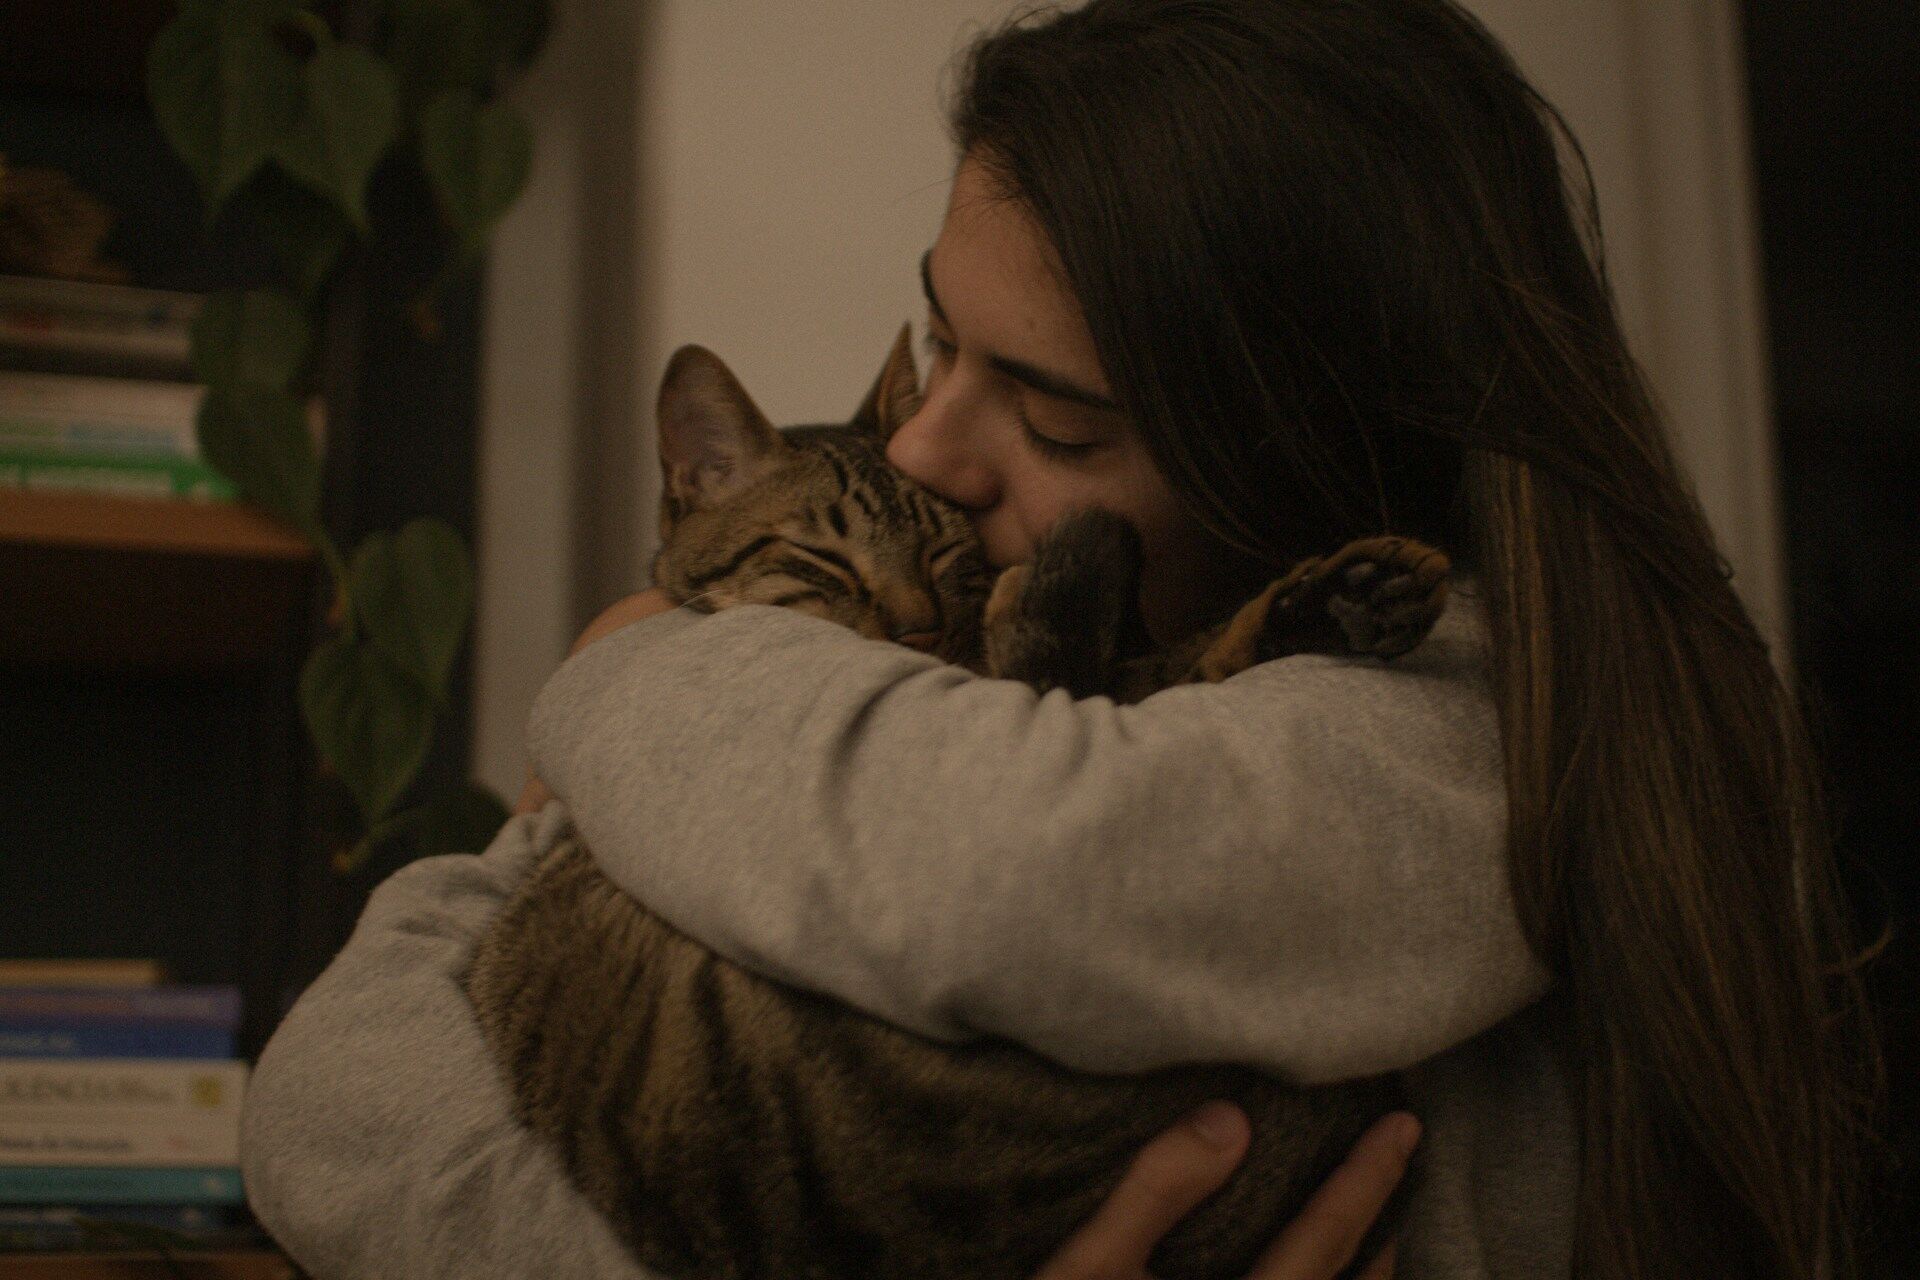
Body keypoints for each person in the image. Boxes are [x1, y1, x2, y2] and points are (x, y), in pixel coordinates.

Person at [240, 1, 1883, 1278]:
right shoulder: (921, 712)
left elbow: (1002, 873)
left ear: (1311, 467)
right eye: (943, 340)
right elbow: (320, 1111)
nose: (921, 457)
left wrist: (625, 664)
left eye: (1061, 425)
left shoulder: (1456, 734)